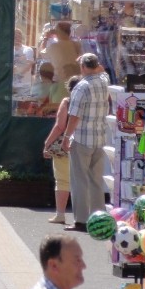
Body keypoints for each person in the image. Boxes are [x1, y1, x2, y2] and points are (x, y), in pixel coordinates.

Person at [61, 54, 109, 232]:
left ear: (82, 67)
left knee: (79, 180)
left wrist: (66, 137)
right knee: (96, 180)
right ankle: (99, 218)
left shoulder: (81, 87)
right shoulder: (104, 81)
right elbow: (102, 70)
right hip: (99, 138)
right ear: (95, 65)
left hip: (82, 138)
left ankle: (81, 220)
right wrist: (90, 61)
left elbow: (74, 116)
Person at [42, 76, 81, 225]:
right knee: (83, 182)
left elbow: (60, 126)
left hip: (66, 146)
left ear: (69, 89)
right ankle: (83, 216)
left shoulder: (67, 102)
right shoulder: (91, 102)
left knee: (63, 180)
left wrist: (47, 143)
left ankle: (60, 214)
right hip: (85, 144)